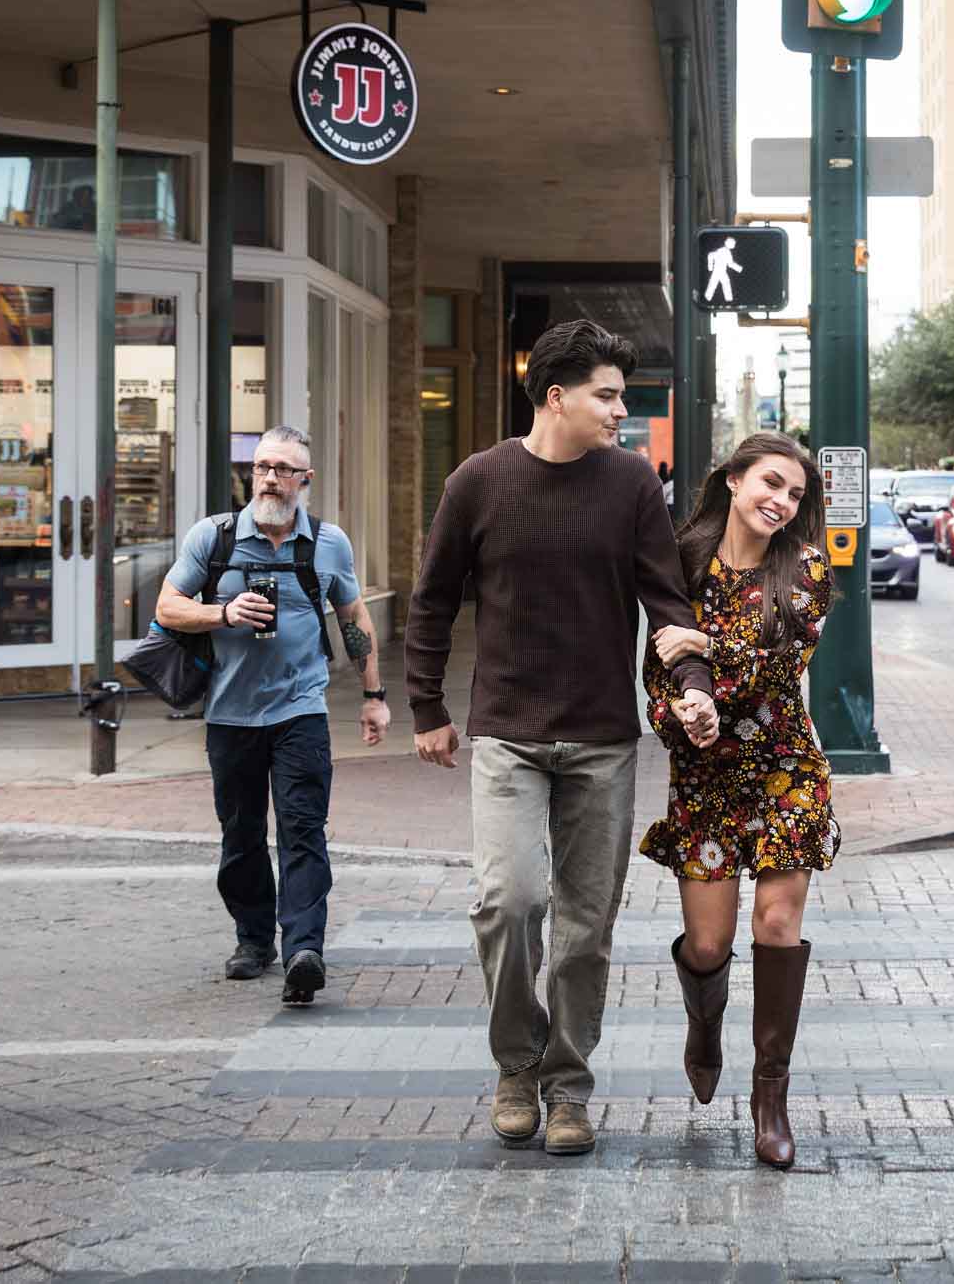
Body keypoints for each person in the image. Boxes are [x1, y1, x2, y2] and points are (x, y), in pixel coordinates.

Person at [405, 319, 718, 1157]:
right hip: (507, 732)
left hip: (602, 740)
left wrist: (692, 687)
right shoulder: (478, 481)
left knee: (586, 925)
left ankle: (569, 1084)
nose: (621, 410)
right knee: (509, 903)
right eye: (607, 396)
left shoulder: (629, 488)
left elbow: (668, 604)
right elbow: (432, 600)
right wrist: (424, 706)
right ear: (557, 397)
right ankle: (517, 1063)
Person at [640, 433, 837, 1170]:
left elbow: (780, 664)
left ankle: (770, 1097)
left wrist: (707, 655)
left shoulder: (807, 569)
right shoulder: (681, 560)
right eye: (771, 483)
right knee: (708, 945)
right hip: (706, 776)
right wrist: (681, 717)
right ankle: (704, 1021)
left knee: (778, 920)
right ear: (732, 477)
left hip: (787, 767)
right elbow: (658, 670)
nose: (781, 503)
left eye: (794, 495)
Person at [154, 424, 388, 1006]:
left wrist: (374, 695)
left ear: (304, 481)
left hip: (300, 711)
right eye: (262, 467)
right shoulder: (214, 537)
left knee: (303, 830)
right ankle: (253, 938)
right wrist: (224, 612)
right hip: (230, 716)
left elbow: (354, 618)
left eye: (283, 469)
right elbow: (167, 607)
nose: (269, 478)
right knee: (241, 836)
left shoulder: (328, 543)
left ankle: (304, 949)